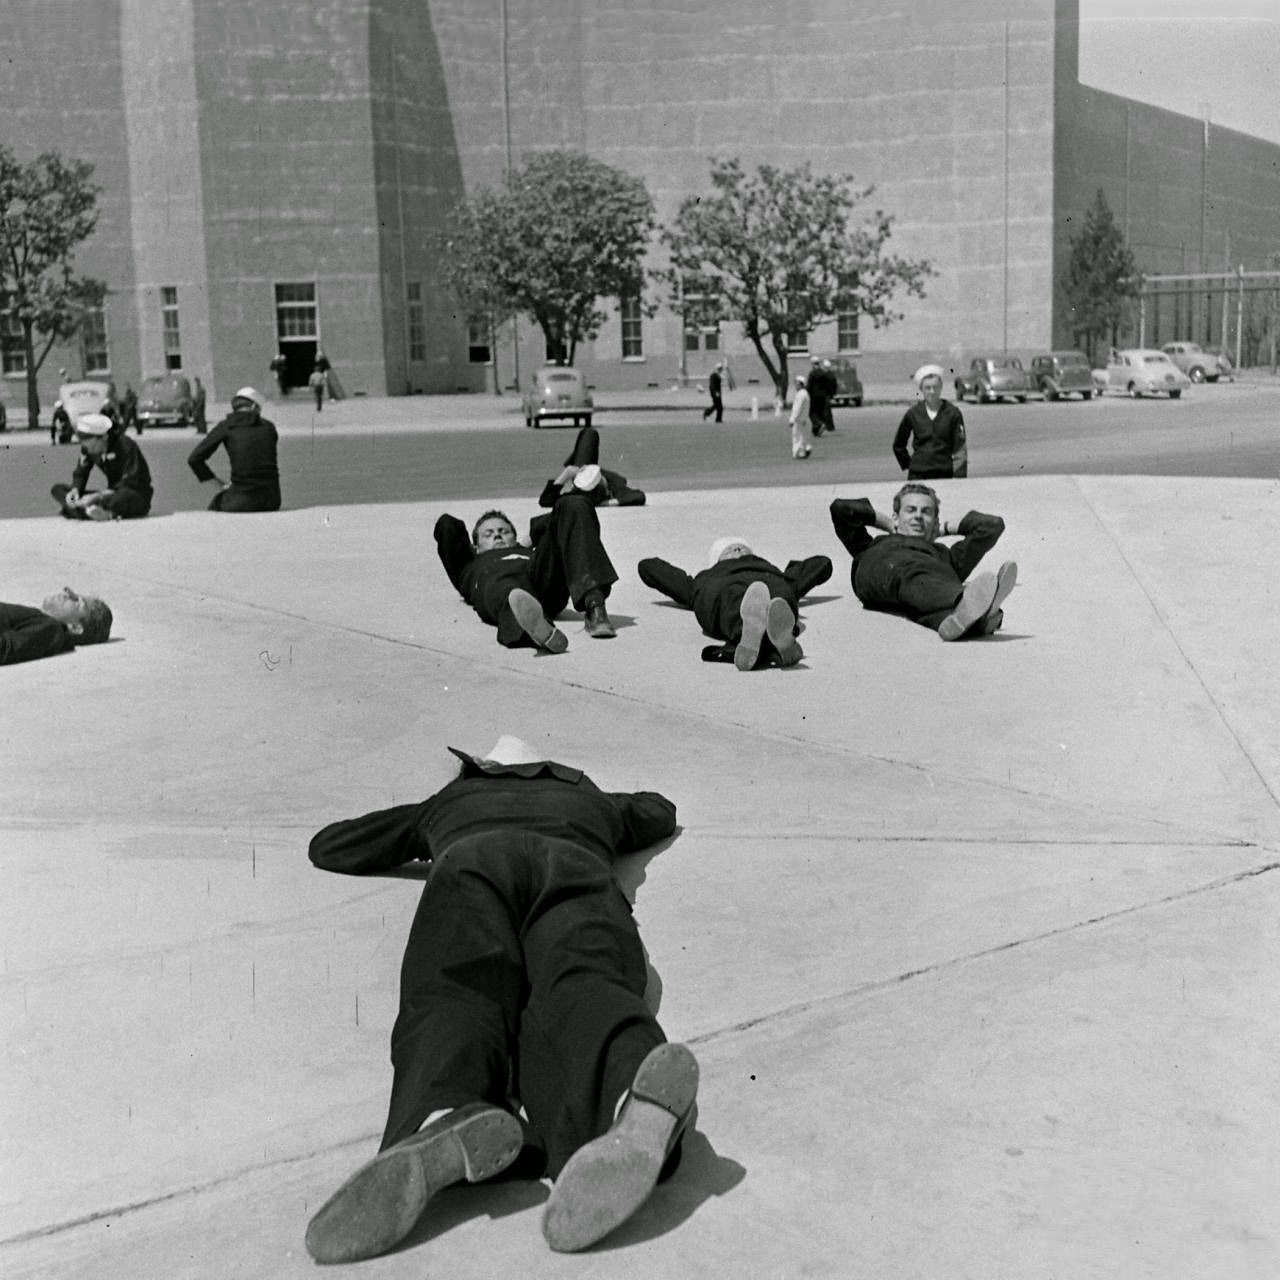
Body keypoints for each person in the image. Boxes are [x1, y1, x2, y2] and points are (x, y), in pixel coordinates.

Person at [303, 735, 698, 1262]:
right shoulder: (590, 798)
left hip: (472, 861)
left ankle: (444, 1107)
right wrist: (605, 804)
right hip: (576, 864)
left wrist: (429, 823)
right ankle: (627, 1090)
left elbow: (333, 846)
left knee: (454, 988)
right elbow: (659, 812)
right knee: (585, 983)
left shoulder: (452, 800)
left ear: (481, 768)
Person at [829, 484, 1015, 639]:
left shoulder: (946, 555)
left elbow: (992, 526)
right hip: (882, 569)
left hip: (924, 587)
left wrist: (943, 529)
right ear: (896, 516)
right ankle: (970, 604)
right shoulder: (875, 544)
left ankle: (964, 621)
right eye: (910, 510)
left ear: (935, 521)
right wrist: (888, 524)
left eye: (926, 512)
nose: (918, 516)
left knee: (927, 591)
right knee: (915, 574)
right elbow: (841, 509)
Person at [435, 499, 618, 649]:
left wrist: (530, 536)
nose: (497, 536)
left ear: (515, 538)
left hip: (541, 583)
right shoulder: (470, 565)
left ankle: (594, 605)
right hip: (500, 587)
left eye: (504, 531)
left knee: (574, 504)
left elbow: (561, 516)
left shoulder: (526, 551)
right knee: (509, 593)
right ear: (476, 547)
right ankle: (539, 631)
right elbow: (447, 525)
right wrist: (469, 549)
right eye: (488, 534)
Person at [638, 537, 832, 670]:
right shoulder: (707, 577)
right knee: (736, 599)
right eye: (729, 549)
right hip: (723, 587)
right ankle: (771, 638)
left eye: (742, 547)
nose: (737, 548)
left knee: (778, 598)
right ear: (716, 560)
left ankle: (755, 637)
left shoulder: (776, 573)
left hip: (770, 584)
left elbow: (822, 563)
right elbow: (649, 568)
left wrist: (792, 569)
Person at [187, 386, 281, 512]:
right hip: (272, 500)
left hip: (241, 501)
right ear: (254, 407)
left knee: (215, 504)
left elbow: (194, 459)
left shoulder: (226, 426)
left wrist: (221, 485)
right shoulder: (269, 427)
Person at [51, 412, 153, 521]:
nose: (89, 450)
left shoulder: (125, 445)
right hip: (106, 494)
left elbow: (130, 481)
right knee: (58, 489)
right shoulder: (88, 449)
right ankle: (86, 510)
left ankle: (90, 512)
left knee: (122, 497)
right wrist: (75, 491)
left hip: (132, 493)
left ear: (104, 437)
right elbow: (81, 473)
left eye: (92, 446)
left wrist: (97, 496)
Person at [537, 424, 645, 508]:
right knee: (590, 434)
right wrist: (608, 503)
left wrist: (567, 473)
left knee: (588, 433)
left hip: (580, 473)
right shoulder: (615, 484)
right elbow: (639, 496)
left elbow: (546, 500)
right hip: (586, 473)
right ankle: (575, 460)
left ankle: (573, 460)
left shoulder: (580, 494)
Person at [0, 588, 113, 665]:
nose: (67, 593)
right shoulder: (43, 620)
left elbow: (6, 649)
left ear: (75, 627)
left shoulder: (51, 630)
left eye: (77, 601)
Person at [893, 366, 968, 480]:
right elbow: (899, 444)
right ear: (921, 389)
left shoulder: (953, 413)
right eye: (928, 388)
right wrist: (909, 464)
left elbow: (960, 448)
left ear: (941, 387)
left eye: (935, 387)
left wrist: (959, 478)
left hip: (944, 473)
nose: (932, 391)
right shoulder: (913, 413)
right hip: (918, 475)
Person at [788, 375, 812, 459]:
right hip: (804, 419)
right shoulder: (805, 393)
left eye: (797, 383)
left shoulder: (800, 395)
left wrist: (792, 419)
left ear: (801, 384)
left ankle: (800, 452)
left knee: (797, 436)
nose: (795, 385)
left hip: (799, 419)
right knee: (802, 436)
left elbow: (797, 408)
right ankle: (807, 448)